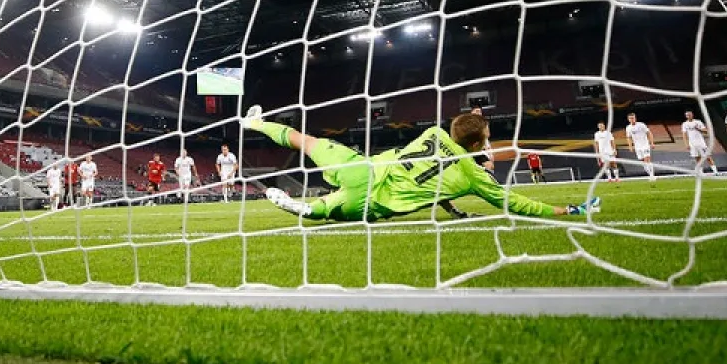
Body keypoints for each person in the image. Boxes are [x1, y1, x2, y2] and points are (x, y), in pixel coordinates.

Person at [242, 105, 598, 222]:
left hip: (364, 167)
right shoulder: (474, 174)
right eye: (486, 137)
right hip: (376, 202)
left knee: (308, 141)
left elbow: (453, 145)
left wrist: (473, 120)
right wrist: (566, 208)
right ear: (476, 144)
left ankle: (255, 124)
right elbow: (516, 203)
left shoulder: (434, 133)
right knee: (330, 210)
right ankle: (308, 208)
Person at [680, 110, 718, 175]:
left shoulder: (698, 122)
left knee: (708, 157)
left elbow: (705, 131)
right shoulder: (684, 124)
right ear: (686, 116)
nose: (689, 116)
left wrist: (699, 129)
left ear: (692, 115)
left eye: (690, 115)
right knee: (697, 158)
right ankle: (701, 172)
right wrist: (686, 144)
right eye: (687, 115)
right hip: (692, 144)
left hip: (701, 143)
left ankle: (715, 171)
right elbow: (684, 134)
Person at [624, 113, 655, 179]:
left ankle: (652, 176)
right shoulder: (628, 128)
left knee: (647, 159)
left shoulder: (641, 125)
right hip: (637, 147)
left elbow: (649, 133)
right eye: (630, 118)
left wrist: (652, 143)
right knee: (642, 161)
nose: (632, 119)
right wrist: (630, 146)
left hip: (645, 144)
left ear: (635, 118)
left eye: (633, 118)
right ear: (628, 119)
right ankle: (650, 174)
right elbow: (629, 137)